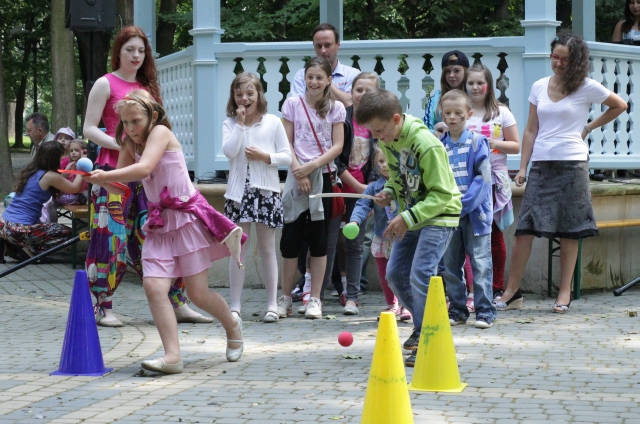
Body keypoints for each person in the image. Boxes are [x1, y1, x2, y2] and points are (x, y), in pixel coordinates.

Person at [85, 90, 246, 374]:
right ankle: (173, 357)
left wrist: (105, 174)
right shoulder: (128, 144)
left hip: (185, 220)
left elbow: (143, 168)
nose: (131, 128)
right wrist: (96, 179)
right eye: (125, 122)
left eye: (136, 120)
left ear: (153, 116)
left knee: (197, 294)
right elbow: (121, 186)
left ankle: (232, 324)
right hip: (159, 224)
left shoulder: (160, 132)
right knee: (154, 286)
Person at [83, 26, 208, 327]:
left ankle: (177, 302)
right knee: (109, 239)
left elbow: (159, 135)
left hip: (147, 179)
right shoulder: (105, 83)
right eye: (130, 50)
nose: (136, 56)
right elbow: (88, 128)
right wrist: (125, 145)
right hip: (111, 175)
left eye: (141, 50)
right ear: (119, 51)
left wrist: (143, 152)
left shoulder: (148, 88)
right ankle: (104, 306)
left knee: (159, 236)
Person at [496, 32, 627, 313]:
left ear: (576, 61)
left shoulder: (587, 87)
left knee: (570, 231)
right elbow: (531, 129)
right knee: (524, 231)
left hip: (573, 164)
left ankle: (564, 292)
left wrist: (589, 128)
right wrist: (522, 168)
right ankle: (512, 292)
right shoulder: (539, 86)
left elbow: (620, 105)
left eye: (564, 59)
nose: (557, 63)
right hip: (542, 165)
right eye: (554, 57)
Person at [355, 89, 461, 367]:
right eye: (372, 132)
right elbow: (398, 179)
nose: (377, 137)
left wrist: (407, 216)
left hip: (439, 215)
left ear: (396, 119)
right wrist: (388, 191)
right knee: (395, 275)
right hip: (413, 214)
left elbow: (442, 195)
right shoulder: (390, 141)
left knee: (421, 273)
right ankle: (425, 325)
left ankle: (429, 336)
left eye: (379, 130)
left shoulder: (426, 144)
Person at [276, 57, 345, 320]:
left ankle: (314, 298)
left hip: (323, 176)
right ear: (304, 78)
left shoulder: (335, 108)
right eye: (310, 76)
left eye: (319, 77)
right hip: (296, 176)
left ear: (329, 80)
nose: (314, 82)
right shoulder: (293, 104)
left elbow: (337, 145)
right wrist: (298, 171)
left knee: (319, 241)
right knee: (290, 240)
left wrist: (312, 166)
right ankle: (285, 298)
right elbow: (286, 142)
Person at [222, 72, 292, 324]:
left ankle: (272, 304)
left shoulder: (273, 122)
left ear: (259, 95)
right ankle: (235, 306)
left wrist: (265, 157)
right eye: (239, 93)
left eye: (250, 93)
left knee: (266, 248)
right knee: (237, 249)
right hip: (238, 194)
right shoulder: (230, 124)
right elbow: (229, 151)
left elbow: (287, 156)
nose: (244, 98)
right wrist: (240, 126)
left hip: (266, 192)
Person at [438, 89, 497, 329]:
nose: (452, 118)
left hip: (475, 214)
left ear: (468, 115)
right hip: (448, 215)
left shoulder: (477, 142)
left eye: (458, 114)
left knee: (480, 262)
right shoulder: (439, 146)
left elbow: (483, 179)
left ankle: (485, 311)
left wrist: (463, 205)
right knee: (450, 265)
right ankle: (458, 309)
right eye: (448, 113)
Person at [465, 64, 521, 302]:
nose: (475, 87)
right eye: (471, 83)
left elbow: (516, 145)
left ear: (489, 85)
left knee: (494, 235)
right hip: (466, 181)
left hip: (494, 180)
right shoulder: (461, 110)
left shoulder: (502, 112)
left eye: (480, 83)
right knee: (467, 236)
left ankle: (496, 286)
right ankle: (471, 290)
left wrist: (489, 142)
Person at [328, 71, 380, 315]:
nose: (363, 95)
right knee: (332, 241)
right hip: (340, 188)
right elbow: (337, 160)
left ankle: (352, 296)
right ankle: (330, 290)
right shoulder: (343, 119)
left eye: (369, 91)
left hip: (364, 192)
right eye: (359, 90)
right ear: (351, 92)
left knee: (355, 243)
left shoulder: (377, 124)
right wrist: (359, 188)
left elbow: (380, 163)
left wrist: (367, 191)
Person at [348, 147, 412, 321]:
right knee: (384, 275)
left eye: (388, 161)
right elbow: (362, 205)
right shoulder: (373, 188)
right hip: (381, 237)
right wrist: (354, 221)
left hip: (401, 237)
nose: (385, 166)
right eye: (381, 162)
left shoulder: (405, 184)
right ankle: (392, 305)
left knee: (400, 273)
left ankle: (406, 306)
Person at [0, 142, 85, 259]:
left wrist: (66, 171)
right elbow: (74, 188)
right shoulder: (50, 176)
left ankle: (9, 244)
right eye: (61, 156)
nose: (63, 159)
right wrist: (82, 168)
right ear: (55, 158)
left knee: (44, 228)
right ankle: (28, 250)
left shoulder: (30, 170)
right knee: (68, 232)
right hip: (21, 227)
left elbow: (53, 183)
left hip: (5, 223)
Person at [290, 23, 360, 107]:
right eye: (319, 46)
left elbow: (351, 105)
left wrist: (325, 80)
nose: (323, 51)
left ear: (338, 45)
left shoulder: (352, 74)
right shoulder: (302, 75)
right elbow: (298, 107)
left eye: (327, 45)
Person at [423, 50, 470, 138]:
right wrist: (436, 133)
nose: (451, 75)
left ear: (466, 72)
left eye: (456, 71)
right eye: (448, 71)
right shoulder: (435, 99)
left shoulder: (472, 97)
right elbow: (424, 128)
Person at [55, 139, 89, 206]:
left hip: (81, 195)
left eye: (76, 150)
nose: (73, 153)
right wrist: (66, 172)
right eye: (71, 151)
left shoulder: (85, 166)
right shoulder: (71, 165)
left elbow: (80, 188)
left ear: (84, 152)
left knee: (54, 199)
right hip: (71, 193)